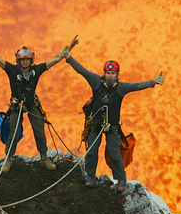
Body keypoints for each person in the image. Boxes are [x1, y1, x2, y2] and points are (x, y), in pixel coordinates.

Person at [62, 38, 164, 192]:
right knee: (91, 152)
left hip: (113, 127)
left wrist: (153, 82)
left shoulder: (122, 88)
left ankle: (121, 178)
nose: (110, 76)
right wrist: (68, 58)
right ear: (105, 73)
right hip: (95, 125)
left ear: (117, 75)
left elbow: (137, 86)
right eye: (108, 73)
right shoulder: (96, 81)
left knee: (115, 154)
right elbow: (82, 70)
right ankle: (90, 175)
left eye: (113, 73)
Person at [0, 31, 77, 173]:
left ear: (31, 61)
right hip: (16, 105)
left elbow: (56, 59)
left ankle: (44, 158)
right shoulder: (11, 70)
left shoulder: (37, 70)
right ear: (18, 61)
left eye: (27, 59)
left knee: (39, 131)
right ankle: (9, 159)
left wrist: (70, 47)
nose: (25, 62)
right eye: (23, 60)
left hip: (32, 103)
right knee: (13, 131)